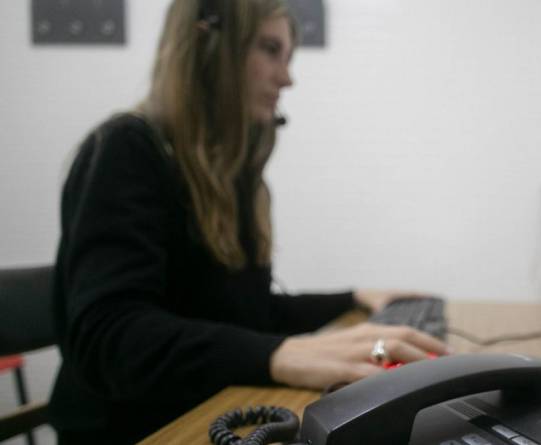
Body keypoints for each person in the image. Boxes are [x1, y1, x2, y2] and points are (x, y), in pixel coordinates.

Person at [49, 0, 449, 443]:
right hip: (133, 428)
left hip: (204, 404)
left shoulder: (230, 178)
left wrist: (351, 298)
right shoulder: (125, 149)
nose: (287, 76)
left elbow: (248, 311)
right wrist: (277, 354)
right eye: (269, 49)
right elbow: (112, 336)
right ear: (207, 45)